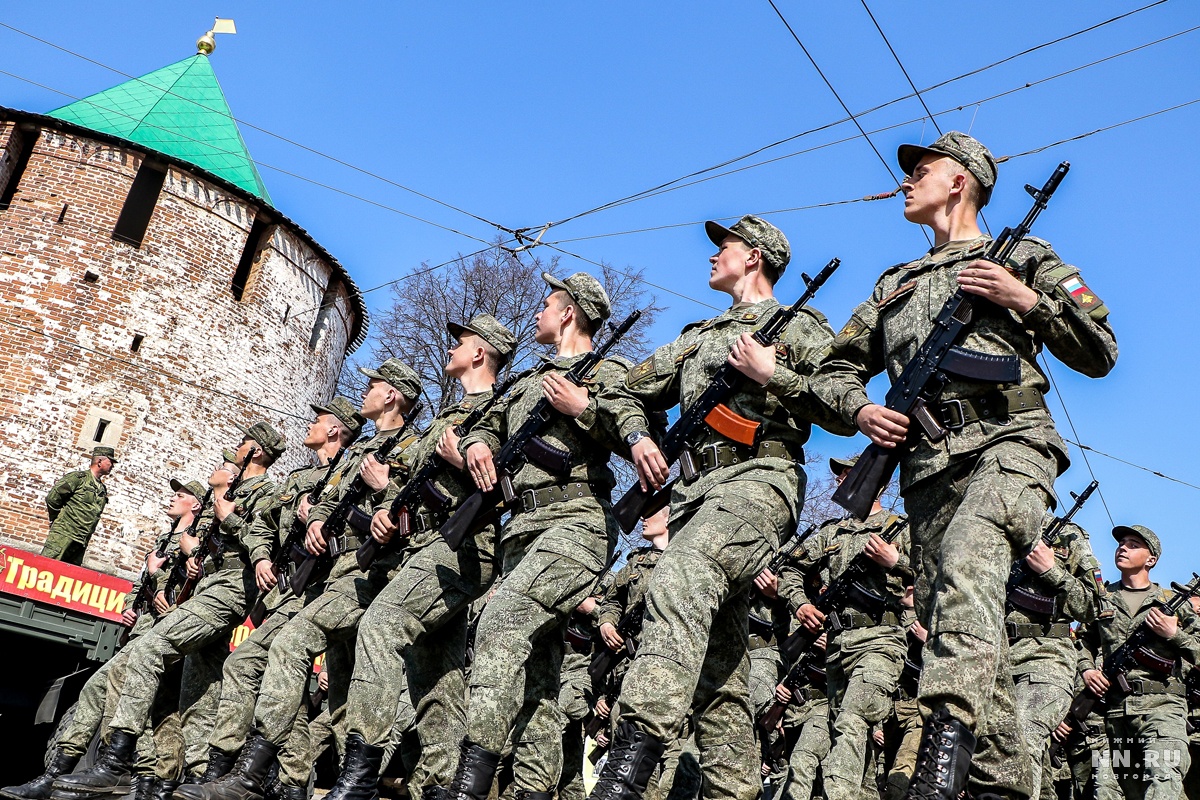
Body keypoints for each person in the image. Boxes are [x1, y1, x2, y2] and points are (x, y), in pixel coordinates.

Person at [812, 131, 1118, 800]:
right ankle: (1001, 784)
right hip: (926, 470)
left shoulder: (1028, 257)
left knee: (970, 561)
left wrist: (1026, 299)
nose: (906, 180)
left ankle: (940, 763)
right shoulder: (894, 285)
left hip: (1011, 444)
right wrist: (862, 411)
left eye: (922, 169)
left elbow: (1102, 348)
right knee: (961, 616)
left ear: (961, 181)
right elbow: (830, 372)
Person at [590, 215, 850, 800]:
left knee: (679, 581)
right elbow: (623, 390)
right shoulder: (698, 336)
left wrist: (773, 372)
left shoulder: (800, 325)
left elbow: (842, 404)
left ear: (753, 257)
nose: (712, 255)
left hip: (761, 480)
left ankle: (627, 770)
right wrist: (638, 436)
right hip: (691, 496)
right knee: (719, 671)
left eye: (723, 246)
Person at [437, 271, 633, 800]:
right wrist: (478, 444)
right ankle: (532, 791)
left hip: (578, 522)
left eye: (548, 304)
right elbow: (490, 419)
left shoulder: (610, 370)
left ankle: (470, 785)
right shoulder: (526, 382)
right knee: (540, 673)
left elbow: (635, 429)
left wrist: (582, 407)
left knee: (501, 622)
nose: (539, 312)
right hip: (521, 530)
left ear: (569, 313)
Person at [199, 360, 421, 800]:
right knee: (338, 697)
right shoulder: (356, 456)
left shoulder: (413, 447)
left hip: (370, 577)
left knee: (294, 654)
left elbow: (418, 513)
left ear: (391, 395)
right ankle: (284, 782)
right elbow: (325, 501)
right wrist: (314, 517)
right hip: (327, 577)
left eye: (374, 384)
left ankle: (253, 774)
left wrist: (379, 494)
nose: (366, 391)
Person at [323, 314, 516, 800]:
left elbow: (499, 473)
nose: (451, 350)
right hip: (429, 546)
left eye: (462, 343)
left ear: (478, 354)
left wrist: (466, 452)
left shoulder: (498, 406)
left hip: (461, 547)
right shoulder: (446, 419)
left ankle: (359, 777)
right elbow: (410, 483)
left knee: (382, 625)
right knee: (438, 677)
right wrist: (388, 507)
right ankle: (436, 785)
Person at [50, 426, 282, 798]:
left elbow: (265, 541)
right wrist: (195, 560)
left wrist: (224, 518)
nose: (227, 460)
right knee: (195, 695)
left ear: (252, 452)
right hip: (206, 589)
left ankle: (119, 764)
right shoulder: (228, 497)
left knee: (148, 657)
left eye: (235, 452)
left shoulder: (267, 493)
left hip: (229, 592)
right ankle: (172, 781)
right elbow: (205, 555)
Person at [181, 398, 364, 793]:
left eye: (318, 420)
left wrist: (314, 518)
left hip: (325, 585)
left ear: (334, 430)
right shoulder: (298, 479)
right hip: (286, 588)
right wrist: (263, 557)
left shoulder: (351, 472)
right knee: (289, 693)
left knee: (247, 664)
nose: (311, 424)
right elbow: (263, 527)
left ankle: (229, 771)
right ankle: (288, 783)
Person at [1, 478, 203, 800]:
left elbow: (185, 588)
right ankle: (57, 774)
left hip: (165, 635)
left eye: (180, 496)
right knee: (106, 694)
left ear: (195, 505)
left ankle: (150, 785)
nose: (173, 498)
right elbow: (141, 585)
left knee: (155, 714)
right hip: (143, 629)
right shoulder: (165, 540)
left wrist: (156, 576)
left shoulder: (194, 542)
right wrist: (130, 607)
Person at [777, 455, 910, 800]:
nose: (839, 481)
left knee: (852, 720)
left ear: (876, 482)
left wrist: (896, 562)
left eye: (848, 475)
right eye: (838, 476)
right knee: (848, 738)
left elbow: (937, 576)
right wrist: (801, 604)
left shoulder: (901, 528)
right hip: (837, 648)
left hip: (881, 641)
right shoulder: (831, 533)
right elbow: (790, 570)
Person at [1074, 525, 1200, 800]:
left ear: (1151, 559)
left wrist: (1174, 634)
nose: (1123, 548)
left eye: (1133, 545)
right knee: (1108, 790)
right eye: (1122, 543)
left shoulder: (1173, 604)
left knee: (1163, 779)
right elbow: (1082, 642)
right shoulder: (1103, 599)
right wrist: (1087, 670)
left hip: (1163, 710)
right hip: (1117, 715)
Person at [1006, 508, 1103, 800]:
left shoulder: (1069, 536)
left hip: (1044, 656)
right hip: (991, 657)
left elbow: (1094, 607)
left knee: (1023, 738)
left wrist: (1052, 571)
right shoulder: (988, 524)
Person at [43, 445, 115, 564]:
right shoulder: (78, 479)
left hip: (81, 541)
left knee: (66, 577)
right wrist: (55, 518)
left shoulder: (102, 489)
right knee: (47, 567)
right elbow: (52, 498)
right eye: (110, 461)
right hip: (63, 535)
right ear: (99, 461)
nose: (112, 465)